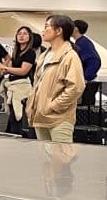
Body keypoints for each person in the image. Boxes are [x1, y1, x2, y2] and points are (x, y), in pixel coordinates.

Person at [27, 15, 84, 143]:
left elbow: (76, 88)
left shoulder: (70, 57)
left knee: (61, 159)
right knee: (45, 159)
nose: (43, 31)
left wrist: (54, 106)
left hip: (59, 119)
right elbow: (37, 84)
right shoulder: (44, 55)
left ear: (59, 31)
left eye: (47, 27)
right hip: (40, 116)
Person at [0, 25, 36, 136]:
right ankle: (14, 136)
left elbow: (23, 71)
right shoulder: (16, 52)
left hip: (22, 88)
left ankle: (21, 138)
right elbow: (10, 69)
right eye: (19, 33)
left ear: (30, 37)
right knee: (13, 117)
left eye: (25, 33)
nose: (21, 36)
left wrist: (5, 68)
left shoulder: (30, 52)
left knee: (20, 117)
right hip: (12, 86)